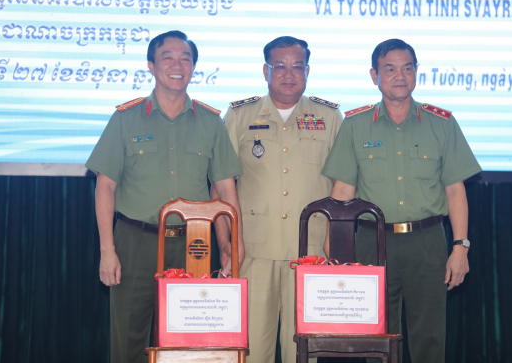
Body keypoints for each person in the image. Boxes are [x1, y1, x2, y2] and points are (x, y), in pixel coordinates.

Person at [86, 30, 244, 363]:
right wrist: (107, 250)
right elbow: (105, 186)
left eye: (185, 58)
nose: (177, 65)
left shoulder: (211, 122)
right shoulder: (126, 119)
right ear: (151, 65)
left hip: (195, 246)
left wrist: (230, 244)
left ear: (194, 67)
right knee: (128, 340)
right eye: (167, 57)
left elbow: (225, 189)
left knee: (188, 342)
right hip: (136, 242)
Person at [321, 39, 481, 363]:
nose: (400, 76)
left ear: (417, 73)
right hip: (371, 241)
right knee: (376, 337)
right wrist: (333, 249)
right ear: (374, 75)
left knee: (430, 337)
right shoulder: (354, 125)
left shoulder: (442, 124)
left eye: (407, 68)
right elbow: (342, 193)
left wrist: (460, 246)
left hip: (426, 241)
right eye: (390, 69)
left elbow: (455, 191)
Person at [211, 36, 343, 363]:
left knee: (305, 351)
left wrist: (335, 249)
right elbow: (220, 187)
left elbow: (343, 188)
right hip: (253, 251)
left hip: (311, 254)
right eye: (279, 66)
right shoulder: (239, 116)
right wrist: (226, 245)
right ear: (265, 70)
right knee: (252, 351)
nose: (288, 73)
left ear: (308, 70)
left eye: (297, 66)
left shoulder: (330, 117)